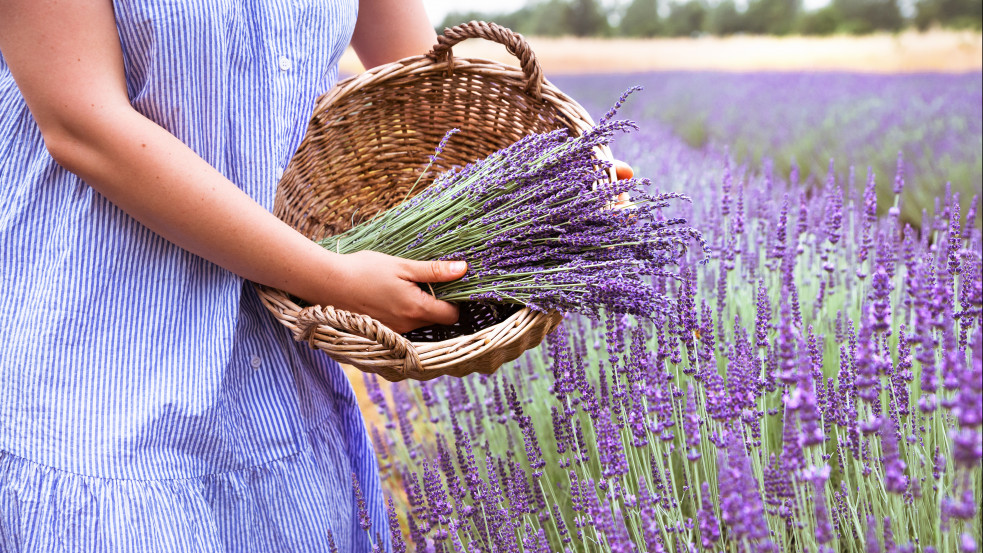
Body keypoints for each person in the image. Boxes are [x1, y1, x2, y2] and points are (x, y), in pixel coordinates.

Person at [0, 1, 633, 551]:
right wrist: (330, 276)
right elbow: (82, 127)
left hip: (273, 369)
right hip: (103, 352)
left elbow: (423, 81)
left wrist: (555, 178)